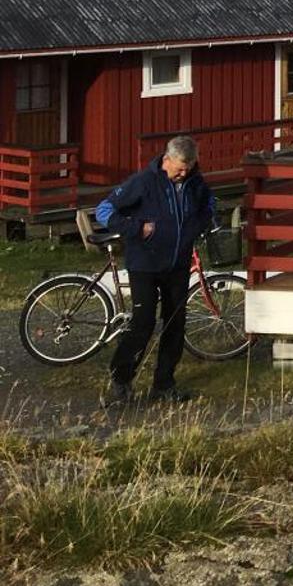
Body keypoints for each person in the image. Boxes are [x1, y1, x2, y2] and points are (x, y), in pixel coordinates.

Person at [94, 133, 216, 405]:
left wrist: (200, 224)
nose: (184, 173)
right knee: (143, 323)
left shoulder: (195, 181)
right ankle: (120, 381)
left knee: (175, 324)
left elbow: (209, 203)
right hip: (145, 264)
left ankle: (164, 384)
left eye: (189, 167)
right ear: (167, 159)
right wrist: (137, 229)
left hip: (178, 263)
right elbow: (103, 210)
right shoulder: (143, 182)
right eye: (180, 168)